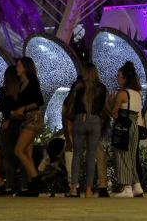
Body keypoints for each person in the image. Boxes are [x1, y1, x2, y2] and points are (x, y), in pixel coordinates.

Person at [66, 63, 107, 198]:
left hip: (79, 120)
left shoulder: (78, 86)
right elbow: (101, 108)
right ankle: (89, 189)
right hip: (94, 120)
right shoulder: (101, 88)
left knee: (77, 155)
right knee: (91, 156)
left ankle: (73, 188)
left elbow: (68, 103)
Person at [112, 61, 144, 198]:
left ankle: (127, 188)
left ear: (125, 78)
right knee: (131, 155)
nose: (117, 78)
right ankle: (137, 185)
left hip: (124, 125)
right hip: (135, 125)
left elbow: (114, 112)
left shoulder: (122, 93)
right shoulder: (137, 93)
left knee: (123, 155)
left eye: (119, 76)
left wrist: (108, 104)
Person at [13, 57, 45, 196]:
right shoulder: (21, 84)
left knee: (18, 150)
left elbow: (39, 101)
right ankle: (33, 187)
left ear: (25, 67)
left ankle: (36, 180)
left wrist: (24, 108)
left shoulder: (32, 82)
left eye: (19, 65)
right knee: (27, 154)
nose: (16, 68)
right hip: (26, 119)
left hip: (34, 119)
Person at [0, 66, 21, 194]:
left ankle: (9, 185)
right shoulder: (21, 90)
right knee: (19, 154)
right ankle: (22, 184)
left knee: (8, 156)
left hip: (7, 125)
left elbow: (5, 110)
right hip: (20, 124)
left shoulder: (4, 91)